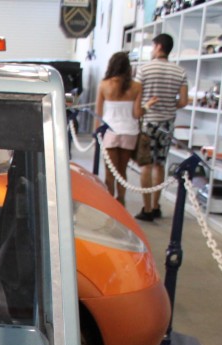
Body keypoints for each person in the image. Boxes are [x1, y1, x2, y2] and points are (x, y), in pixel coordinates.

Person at [134, 33, 188, 222]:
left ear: (158, 46)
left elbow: (137, 99)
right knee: (160, 165)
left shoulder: (144, 70)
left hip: (149, 122)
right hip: (167, 124)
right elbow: (183, 101)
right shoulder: (179, 72)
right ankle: (156, 205)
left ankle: (147, 208)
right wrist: (169, 103)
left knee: (146, 166)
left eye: (152, 46)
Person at [95, 51, 143, 205]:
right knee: (122, 171)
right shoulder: (136, 87)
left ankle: (110, 204)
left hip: (109, 131)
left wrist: (96, 133)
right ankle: (121, 201)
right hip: (129, 132)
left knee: (110, 172)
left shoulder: (104, 85)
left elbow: (98, 112)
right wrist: (147, 107)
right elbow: (137, 114)